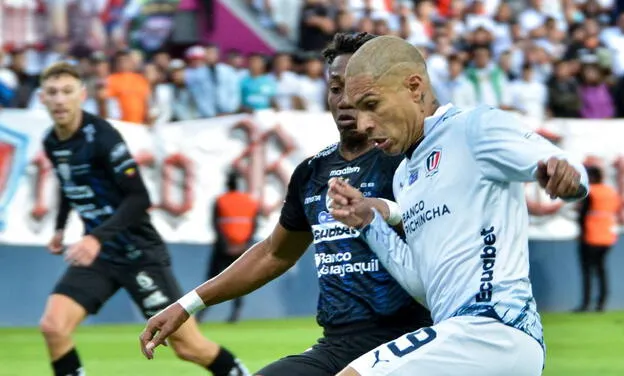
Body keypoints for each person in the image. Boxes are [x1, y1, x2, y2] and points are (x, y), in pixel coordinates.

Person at [140, 32, 433, 375]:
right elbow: (274, 253)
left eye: (357, 89)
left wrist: (385, 211)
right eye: (336, 88)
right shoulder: (312, 173)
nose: (345, 100)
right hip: (339, 344)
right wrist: (187, 304)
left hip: (414, 337)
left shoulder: (409, 159)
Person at [325, 35, 589, 376]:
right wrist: (369, 224)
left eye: (371, 105)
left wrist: (567, 178)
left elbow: (569, 168)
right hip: (459, 340)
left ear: (414, 87)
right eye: (357, 111)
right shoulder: (405, 175)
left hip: (494, 329)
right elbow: (424, 285)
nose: (363, 125)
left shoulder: (473, 128)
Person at [38, 62, 249, 376]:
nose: (59, 99)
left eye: (67, 92)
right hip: (100, 256)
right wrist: (59, 228)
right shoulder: (52, 141)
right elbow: (70, 185)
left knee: (189, 347)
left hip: (138, 254)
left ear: (82, 95)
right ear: (42, 98)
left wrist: (95, 237)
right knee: (53, 327)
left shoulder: (103, 137)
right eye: (52, 92)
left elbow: (139, 198)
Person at [197, 170, 259, 323]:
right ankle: (235, 314)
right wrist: (246, 244)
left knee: (212, 279)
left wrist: (225, 244)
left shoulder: (220, 200)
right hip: (242, 248)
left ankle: (200, 315)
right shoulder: (249, 201)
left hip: (223, 247)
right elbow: (254, 225)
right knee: (239, 281)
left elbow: (215, 224)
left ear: (227, 184)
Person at [575, 165, 624, 312]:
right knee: (601, 269)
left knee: (587, 271)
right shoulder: (611, 192)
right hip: (608, 237)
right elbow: (616, 211)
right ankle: (601, 303)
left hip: (590, 236)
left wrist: (581, 234)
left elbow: (582, 215)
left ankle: (586, 304)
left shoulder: (590, 192)